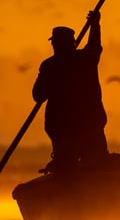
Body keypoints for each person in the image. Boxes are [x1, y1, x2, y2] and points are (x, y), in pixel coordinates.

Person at [32, 10, 109, 170]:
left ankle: (67, 167)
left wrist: (95, 25)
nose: (53, 45)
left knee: (76, 163)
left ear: (56, 44)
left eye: (55, 42)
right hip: (80, 127)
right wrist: (95, 25)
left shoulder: (50, 66)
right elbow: (94, 46)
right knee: (95, 161)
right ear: (72, 43)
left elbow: (38, 95)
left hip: (71, 128)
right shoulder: (85, 59)